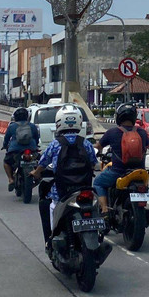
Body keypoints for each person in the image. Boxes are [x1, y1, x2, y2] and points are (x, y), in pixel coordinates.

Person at [30, 105, 98, 250]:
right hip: (84, 189)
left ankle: (51, 239)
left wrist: (36, 172)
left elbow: (43, 162)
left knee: (50, 205)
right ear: (79, 121)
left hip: (62, 191)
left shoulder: (55, 144)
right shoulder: (85, 143)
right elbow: (93, 163)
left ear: (59, 122)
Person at [94, 102, 148, 214]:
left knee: (98, 183)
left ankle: (104, 209)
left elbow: (98, 147)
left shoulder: (112, 132)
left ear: (118, 117)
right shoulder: (142, 132)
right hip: (140, 172)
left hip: (118, 172)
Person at [2, 107, 39, 191]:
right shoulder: (32, 126)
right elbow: (36, 138)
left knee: (6, 162)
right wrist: (35, 146)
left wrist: (5, 146)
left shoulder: (12, 126)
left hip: (15, 150)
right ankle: (37, 176)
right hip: (31, 149)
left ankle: (11, 179)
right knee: (39, 162)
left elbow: (6, 139)